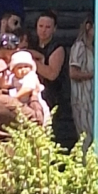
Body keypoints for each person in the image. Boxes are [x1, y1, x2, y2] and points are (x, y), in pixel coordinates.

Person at [0, 56, 43, 163]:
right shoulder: (4, 102)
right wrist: (34, 96)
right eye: (2, 72)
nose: (9, 74)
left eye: (7, 69)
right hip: (6, 160)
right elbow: (37, 121)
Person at [28, 10, 77, 147]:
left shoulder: (57, 48)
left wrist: (30, 61)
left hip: (53, 97)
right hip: (34, 96)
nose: (43, 30)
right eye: (41, 26)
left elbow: (51, 74)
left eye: (48, 27)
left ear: (54, 29)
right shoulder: (32, 45)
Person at [68, 17, 95, 143]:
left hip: (92, 99)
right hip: (82, 99)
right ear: (89, 27)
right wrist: (96, 74)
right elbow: (73, 73)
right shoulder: (79, 46)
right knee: (86, 136)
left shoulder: (93, 48)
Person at [9, 51, 47, 123]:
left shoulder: (31, 76)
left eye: (26, 66)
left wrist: (14, 98)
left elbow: (28, 88)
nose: (23, 70)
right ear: (13, 70)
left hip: (33, 104)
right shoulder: (12, 78)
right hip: (21, 105)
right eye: (19, 68)